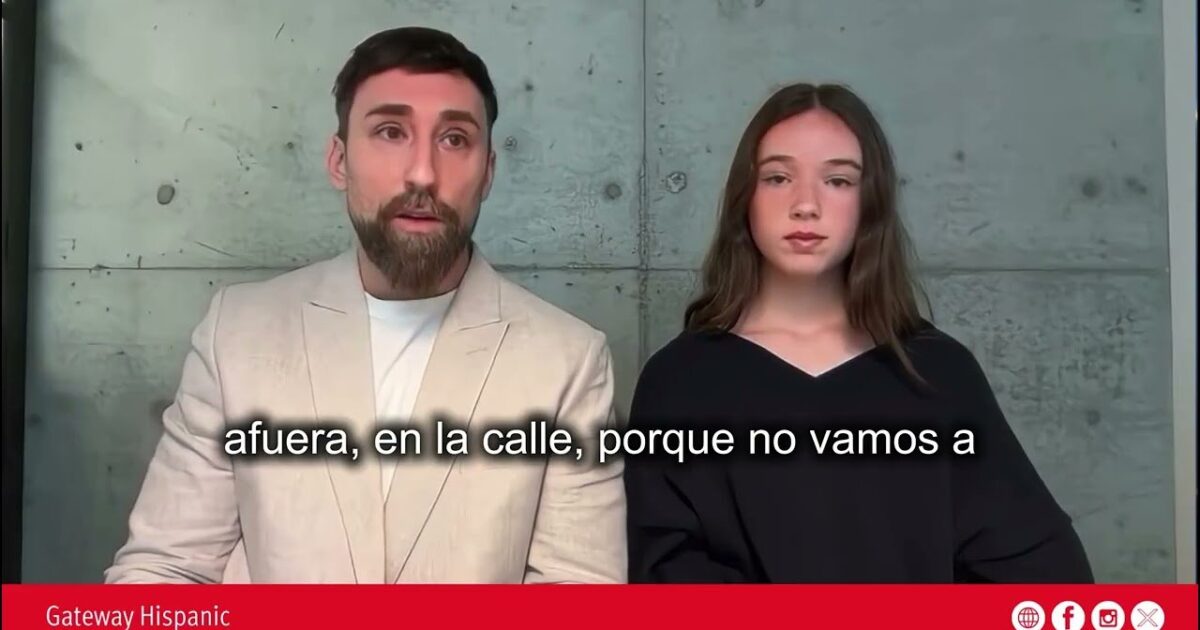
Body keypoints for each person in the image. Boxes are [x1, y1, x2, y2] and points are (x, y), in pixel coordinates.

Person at [105, 27, 626, 584]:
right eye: (390, 132)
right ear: (339, 160)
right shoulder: (237, 334)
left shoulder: (566, 361)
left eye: (454, 139)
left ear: (488, 172)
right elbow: (164, 569)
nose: (422, 173)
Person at [624, 83, 1093, 583]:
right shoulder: (679, 381)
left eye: (838, 180)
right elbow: (664, 577)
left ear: (871, 201)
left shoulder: (939, 374)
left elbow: (1045, 573)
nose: (806, 205)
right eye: (778, 177)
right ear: (746, 197)